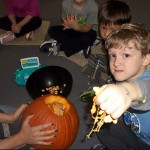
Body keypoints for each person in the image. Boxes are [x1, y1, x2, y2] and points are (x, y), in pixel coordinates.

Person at [91, 23, 150, 150]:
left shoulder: (146, 81)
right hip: (135, 133)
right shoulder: (123, 76)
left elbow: (145, 90)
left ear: (145, 59)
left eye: (126, 55)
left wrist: (127, 91)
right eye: (113, 55)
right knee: (100, 126)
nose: (116, 63)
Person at [82, 0, 132, 85]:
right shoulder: (108, 39)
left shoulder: (128, 44)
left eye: (113, 30)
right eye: (103, 28)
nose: (107, 34)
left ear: (124, 29)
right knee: (95, 59)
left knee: (117, 81)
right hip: (112, 62)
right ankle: (94, 85)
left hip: (127, 69)